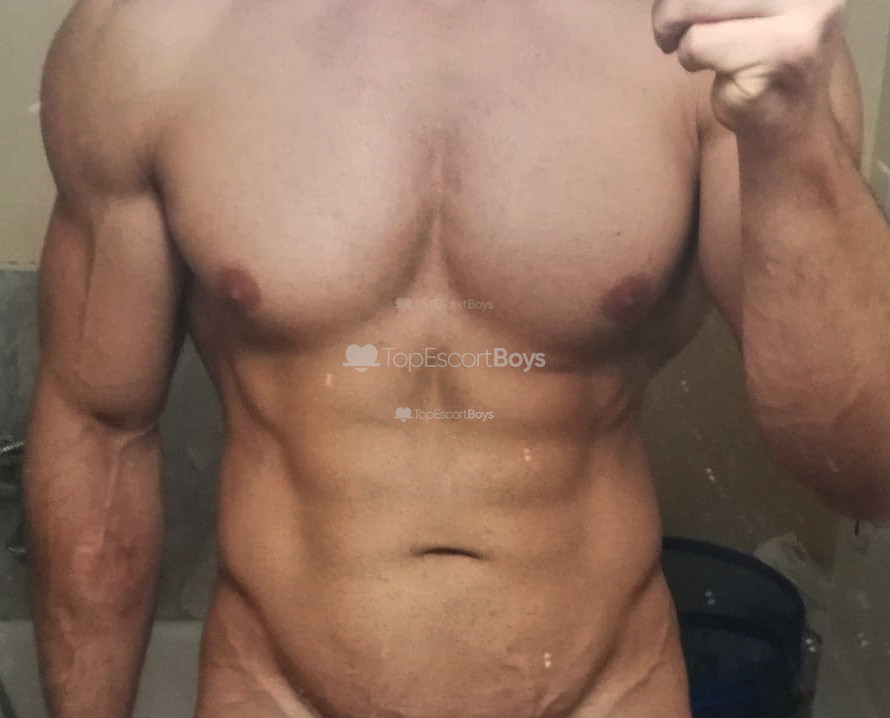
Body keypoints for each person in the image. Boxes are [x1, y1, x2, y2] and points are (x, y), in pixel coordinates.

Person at [23, 1, 890, 717]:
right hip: (274, 693)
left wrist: (792, 134)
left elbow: (869, 474)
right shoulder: (157, 33)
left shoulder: (717, 28)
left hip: (606, 692)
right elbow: (100, 433)